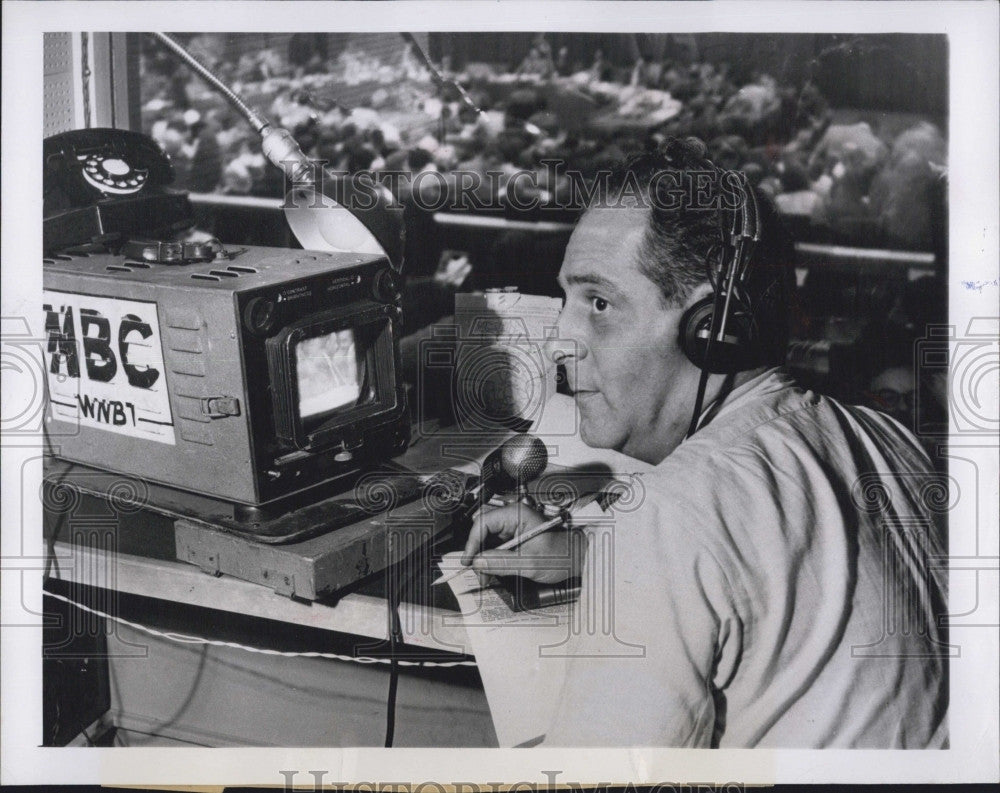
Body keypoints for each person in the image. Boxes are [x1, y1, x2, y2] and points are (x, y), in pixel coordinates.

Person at [460, 137, 948, 748]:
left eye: (600, 303)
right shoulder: (888, 439)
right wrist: (593, 560)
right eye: (568, 300)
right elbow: (787, 573)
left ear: (711, 329)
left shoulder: (674, 515)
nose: (562, 340)